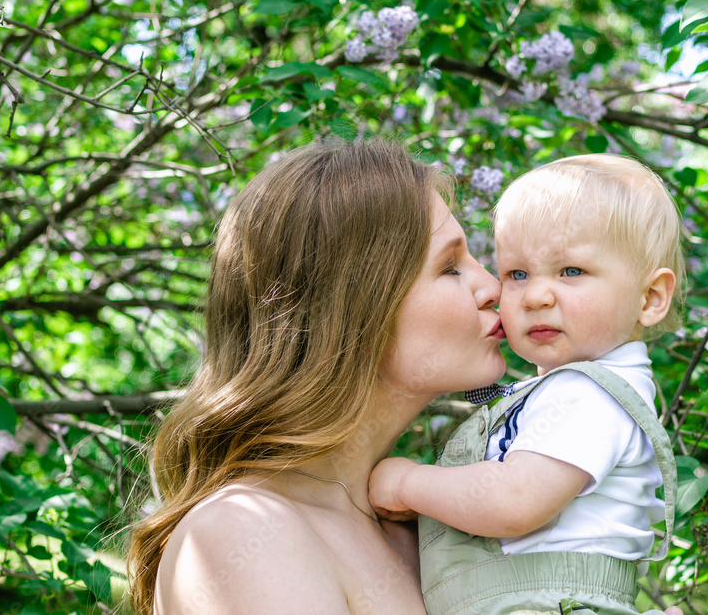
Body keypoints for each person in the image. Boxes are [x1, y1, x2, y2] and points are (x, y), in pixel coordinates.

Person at [127, 138, 509, 614]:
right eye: (450, 267)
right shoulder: (243, 532)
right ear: (353, 305)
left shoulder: (421, 529)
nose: (493, 287)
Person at [368, 154, 685, 615]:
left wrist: (410, 483)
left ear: (650, 297)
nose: (535, 296)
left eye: (571, 271)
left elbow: (515, 501)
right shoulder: (565, 391)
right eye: (517, 274)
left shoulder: (591, 394)